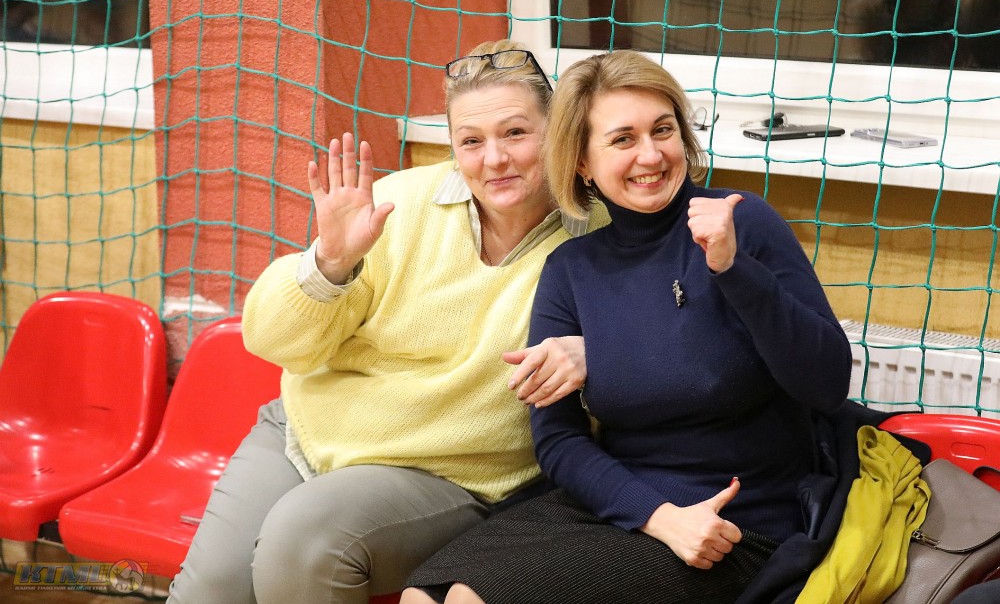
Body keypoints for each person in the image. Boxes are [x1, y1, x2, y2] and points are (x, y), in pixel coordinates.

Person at [402, 49, 854, 604]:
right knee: (424, 596)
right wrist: (655, 515)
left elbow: (827, 385)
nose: (651, 155)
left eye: (662, 130)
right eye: (622, 139)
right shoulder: (572, 268)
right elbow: (559, 440)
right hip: (621, 504)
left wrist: (733, 269)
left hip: (733, 519)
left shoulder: (742, 221)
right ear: (582, 163)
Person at [165, 39, 607, 604]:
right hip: (305, 436)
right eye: (471, 141)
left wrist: (599, 354)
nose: (494, 159)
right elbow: (273, 343)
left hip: (449, 475)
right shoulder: (397, 203)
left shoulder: (600, 235)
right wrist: (329, 263)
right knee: (208, 592)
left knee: (305, 542)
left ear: (557, 130)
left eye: (515, 133)